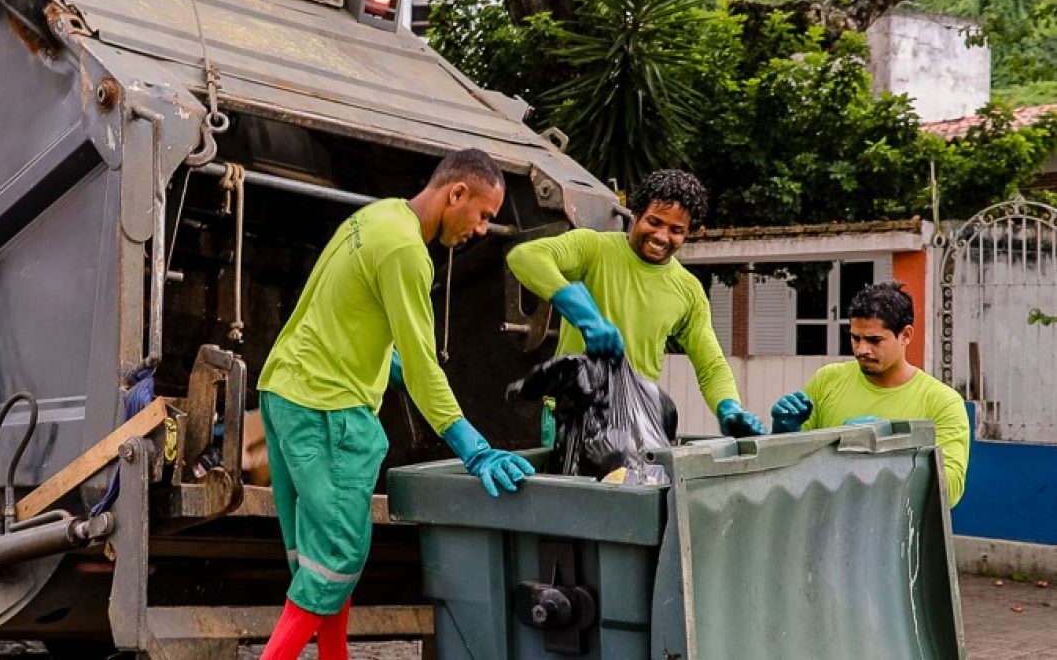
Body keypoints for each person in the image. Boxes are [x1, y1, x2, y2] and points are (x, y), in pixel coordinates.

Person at [255, 148, 534, 660]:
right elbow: (425, 366)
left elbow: (346, 317)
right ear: (457, 194)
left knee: (322, 563)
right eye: (483, 216)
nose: (480, 230)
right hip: (328, 407)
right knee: (339, 554)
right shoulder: (407, 251)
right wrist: (473, 447)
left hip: (285, 393)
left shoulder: (376, 216)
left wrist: (392, 370)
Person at [506, 170, 764, 437]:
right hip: (570, 415)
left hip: (635, 422)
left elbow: (711, 366)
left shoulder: (688, 290)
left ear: (690, 232)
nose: (662, 237)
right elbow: (525, 257)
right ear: (636, 215)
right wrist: (585, 315)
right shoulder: (593, 248)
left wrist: (730, 409)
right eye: (654, 222)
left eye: (676, 230)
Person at [770, 283, 970, 507]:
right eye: (855, 338)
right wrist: (783, 434)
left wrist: (889, 450)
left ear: (906, 335)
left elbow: (949, 491)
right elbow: (789, 471)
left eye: (874, 341)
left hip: (892, 537)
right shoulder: (828, 380)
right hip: (822, 528)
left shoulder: (942, 402)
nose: (861, 350)